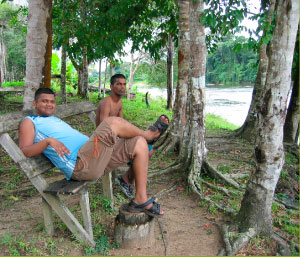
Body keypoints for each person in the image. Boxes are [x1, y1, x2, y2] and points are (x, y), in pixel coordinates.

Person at [18, 87, 167, 217]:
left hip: (94, 157)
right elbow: (25, 151)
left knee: (140, 144)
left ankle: (140, 197)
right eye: (44, 101)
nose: (49, 104)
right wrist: (48, 141)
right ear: (35, 103)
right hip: (80, 164)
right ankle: (147, 134)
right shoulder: (30, 121)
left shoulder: (54, 119)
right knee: (113, 122)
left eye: (52, 101)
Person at [96, 74, 169, 199]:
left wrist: (129, 136)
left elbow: (122, 125)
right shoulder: (106, 103)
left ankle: (127, 179)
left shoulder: (119, 103)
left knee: (148, 150)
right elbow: (104, 129)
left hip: (117, 139)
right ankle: (146, 135)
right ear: (111, 86)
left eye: (124, 84)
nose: (122, 87)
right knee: (145, 148)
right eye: (118, 84)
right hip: (105, 143)